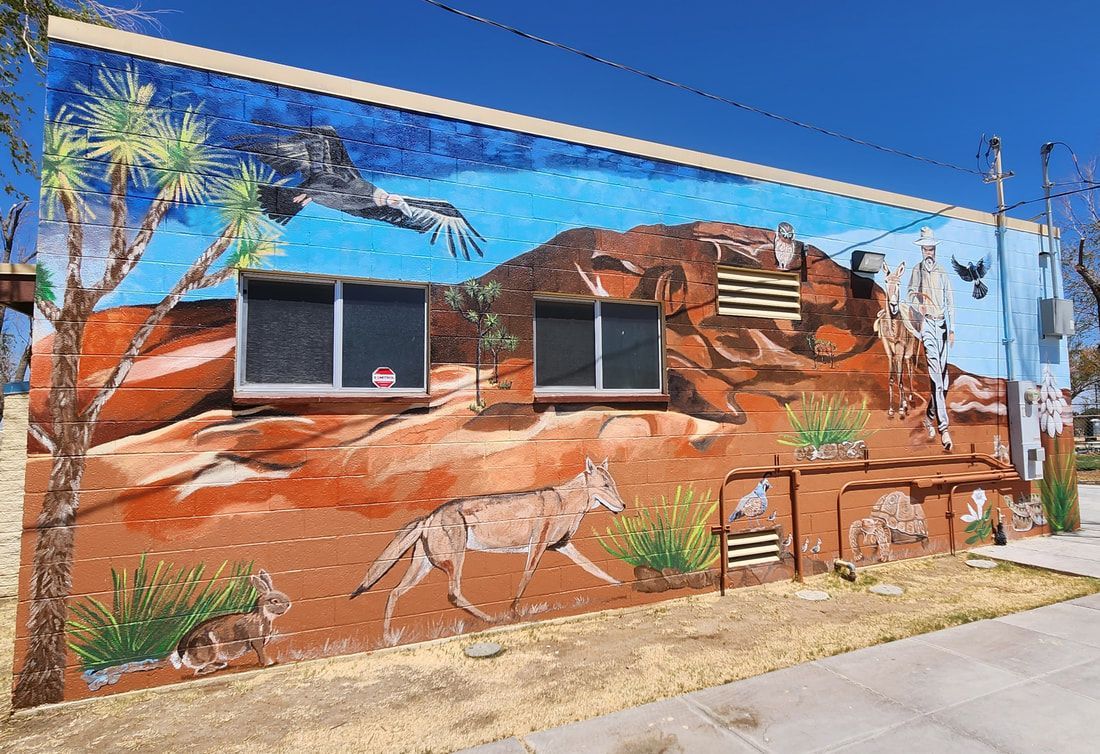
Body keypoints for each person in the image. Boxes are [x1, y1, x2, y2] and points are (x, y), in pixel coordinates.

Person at [907, 227, 955, 450]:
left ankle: (929, 416)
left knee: (944, 381)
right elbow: (909, 294)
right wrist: (919, 306)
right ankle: (944, 429)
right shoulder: (917, 270)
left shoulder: (942, 271)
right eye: (925, 249)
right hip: (927, 325)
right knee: (936, 377)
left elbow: (950, 300)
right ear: (921, 250)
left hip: (942, 324)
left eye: (931, 249)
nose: (929, 252)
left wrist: (952, 329)